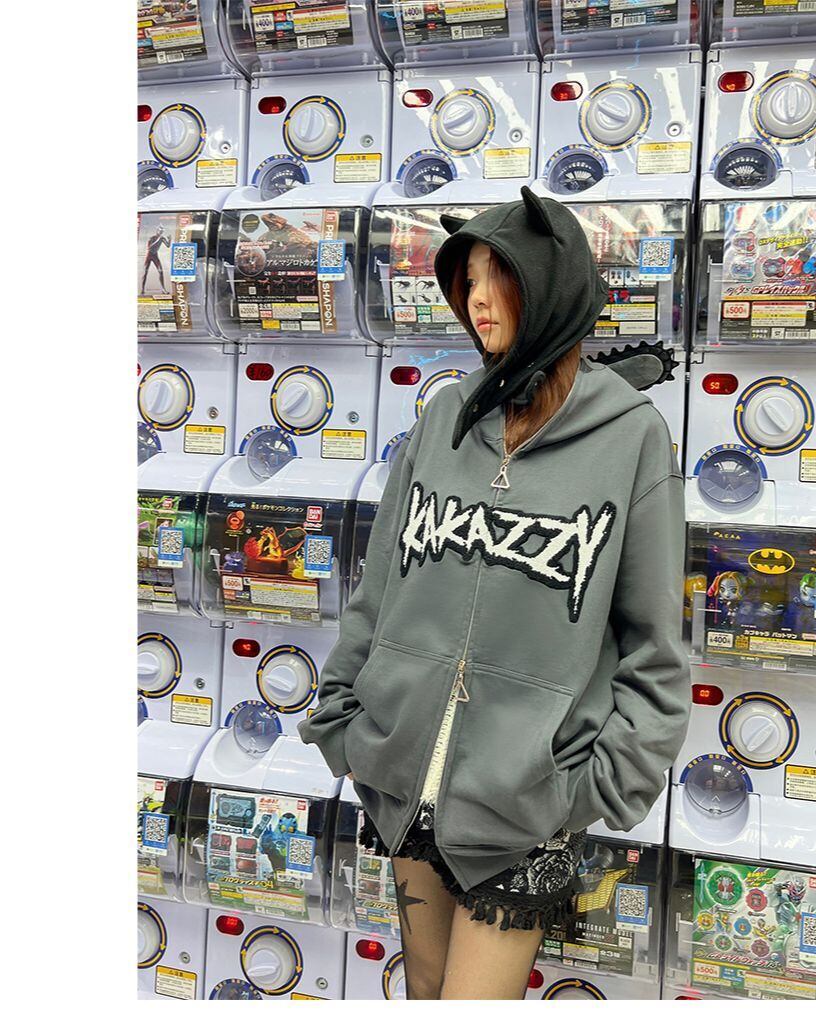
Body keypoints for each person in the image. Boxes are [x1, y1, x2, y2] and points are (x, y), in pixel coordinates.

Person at [298, 187, 691, 999]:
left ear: (550, 283)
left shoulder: (631, 437)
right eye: (467, 280)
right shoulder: (444, 415)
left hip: (524, 805)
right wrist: (345, 719)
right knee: (424, 992)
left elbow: (652, 642)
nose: (476, 299)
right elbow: (381, 583)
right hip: (403, 782)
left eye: (496, 275)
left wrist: (589, 786)